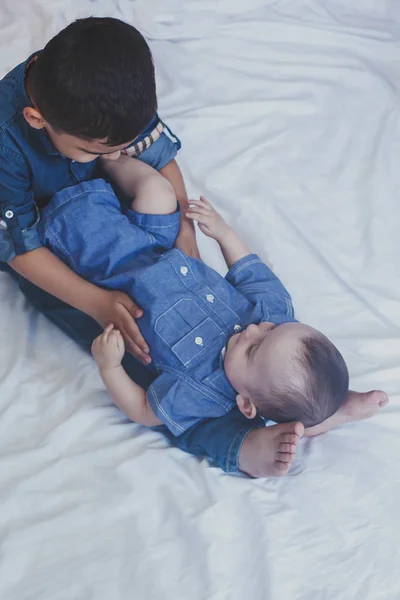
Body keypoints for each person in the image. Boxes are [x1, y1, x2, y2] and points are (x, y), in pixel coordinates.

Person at [39, 158, 389, 476]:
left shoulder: (200, 390)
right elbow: (250, 271)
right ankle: (325, 413)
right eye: (270, 329)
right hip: (155, 246)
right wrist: (224, 233)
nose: (252, 329)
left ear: (245, 403)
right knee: (157, 192)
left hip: (108, 273)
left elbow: (145, 410)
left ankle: (284, 431)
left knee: (74, 223)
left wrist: (110, 367)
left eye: (253, 349)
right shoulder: (271, 318)